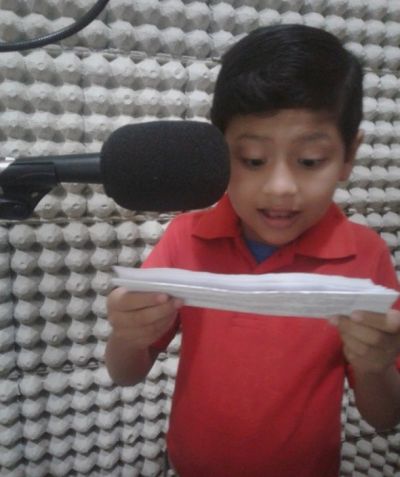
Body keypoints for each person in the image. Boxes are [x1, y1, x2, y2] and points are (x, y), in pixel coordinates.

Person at [106, 24, 400, 476]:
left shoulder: (366, 257)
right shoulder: (185, 238)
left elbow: (385, 418)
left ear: (348, 156)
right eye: (253, 160)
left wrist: (375, 367)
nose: (280, 187)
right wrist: (128, 335)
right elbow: (126, 373)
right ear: (218, 152)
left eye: (309, 161)